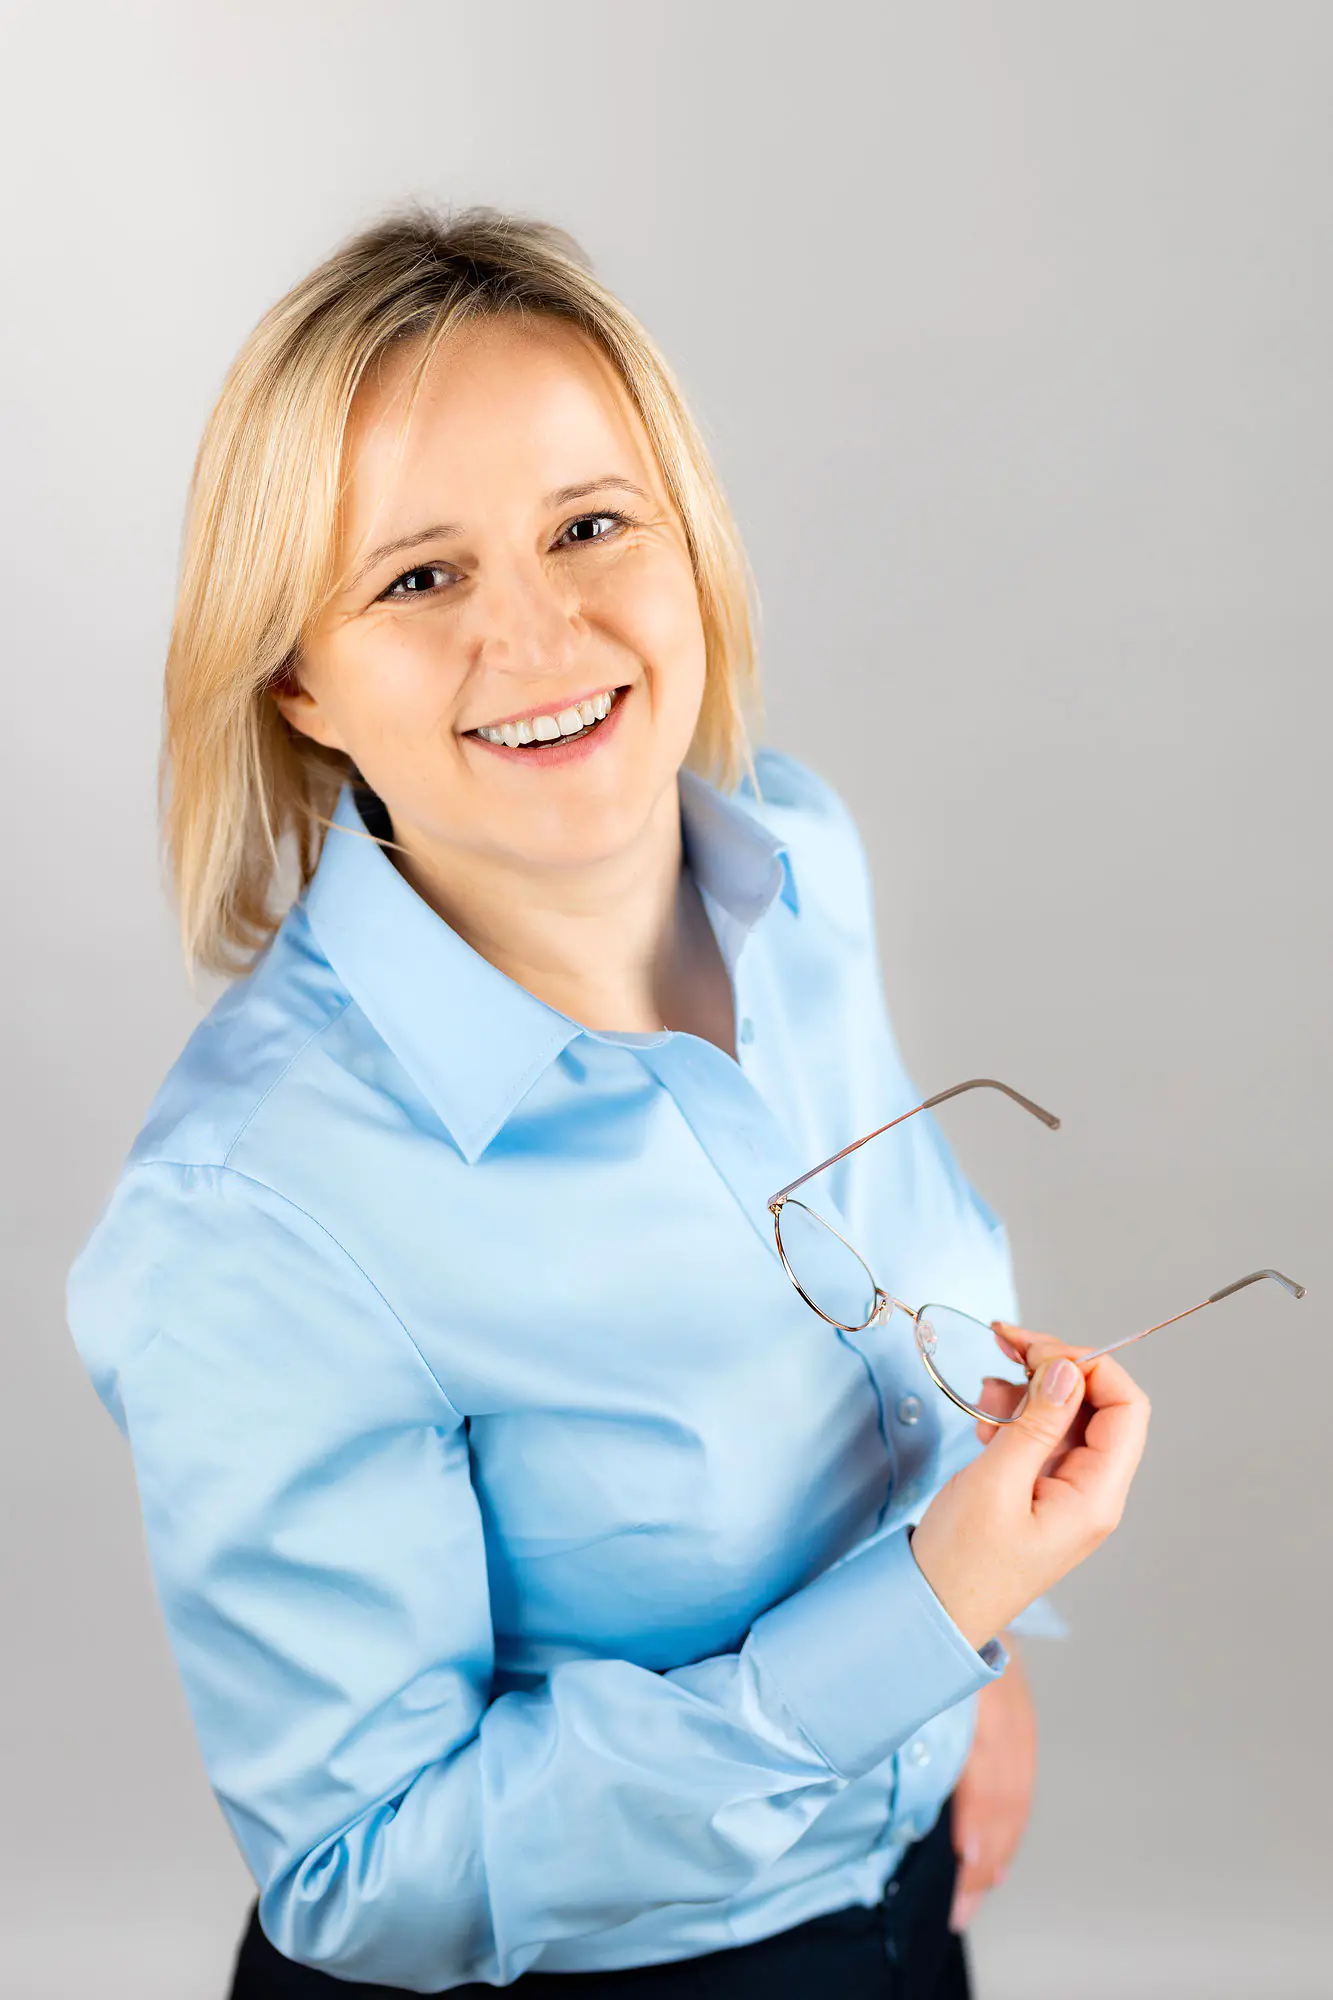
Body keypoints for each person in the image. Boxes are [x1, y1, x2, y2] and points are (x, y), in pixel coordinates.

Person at [65, 204, 1151, 1998]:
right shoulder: (253, 1208)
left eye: (589, 526)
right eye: (420, 578)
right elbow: (363, 1876)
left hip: (905, 1916)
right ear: (298, 678)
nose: (541, 630)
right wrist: (925, 1620)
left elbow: (893, 1384)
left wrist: (977, 1667)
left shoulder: (801, 866)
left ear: (685, 537)